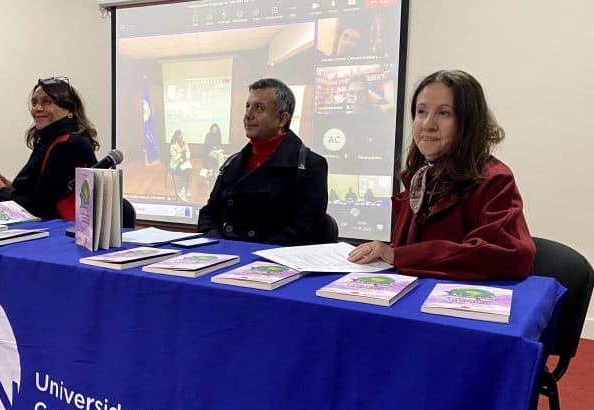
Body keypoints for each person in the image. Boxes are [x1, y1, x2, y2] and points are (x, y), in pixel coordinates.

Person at [348, 70, 535, 280]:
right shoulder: (421, 174)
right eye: (421, 112)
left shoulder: (495, 179)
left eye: (444, 113)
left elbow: (505, 255)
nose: (428, 124)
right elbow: (410, 250)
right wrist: (384, 252)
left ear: (468, 123)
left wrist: (397, 255)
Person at [198, 78, 335, 246]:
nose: (248, 115)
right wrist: (217, 244)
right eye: (247, 106)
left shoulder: (309, 165)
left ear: (282, 119)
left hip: (271, 261)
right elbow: (208, 213)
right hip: (224, 254)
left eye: (259, 108)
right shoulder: (232, 162)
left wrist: (250, 252)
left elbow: (305, 229)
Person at [0, 77, 98, 219]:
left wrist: (0, 193)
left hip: (51, 225)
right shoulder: (50, 139)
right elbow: (46, 191)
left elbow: (40, 207)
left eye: (46, 102)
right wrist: (13, 188)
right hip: (38, 215)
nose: (37, 109)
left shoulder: (69, 145)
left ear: (69, 109)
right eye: (34, 102)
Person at [168, 129, 192, 201]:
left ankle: (185, 189)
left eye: (182, 135)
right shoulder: (172, 146)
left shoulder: (184, 143)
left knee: (188, 169)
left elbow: (188, 152)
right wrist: (181, 151)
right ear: (177, 136)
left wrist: (187, 158)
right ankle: (183, 190)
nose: (182, 137)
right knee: (187, 170)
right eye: (180, 135)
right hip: (175, 165)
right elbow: (175, 158)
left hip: (184, 162)